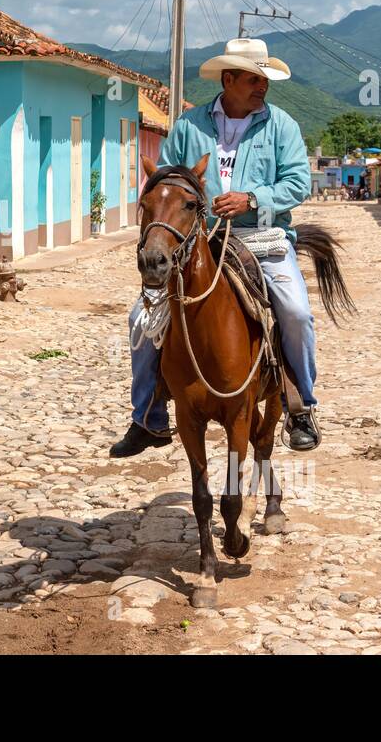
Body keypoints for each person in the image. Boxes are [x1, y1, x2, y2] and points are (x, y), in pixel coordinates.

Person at [113, 37, 322, 457]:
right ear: (228, 79)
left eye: (264, 80)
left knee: (296, 311)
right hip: (197, 242)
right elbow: (165, 181)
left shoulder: (281, 125)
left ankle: (302, 405)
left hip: (260, 238)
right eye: (252, 79)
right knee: (142, 319)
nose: (262, 87)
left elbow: (298, 183)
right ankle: (149, 416)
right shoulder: (189, 126)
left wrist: (253, 199)